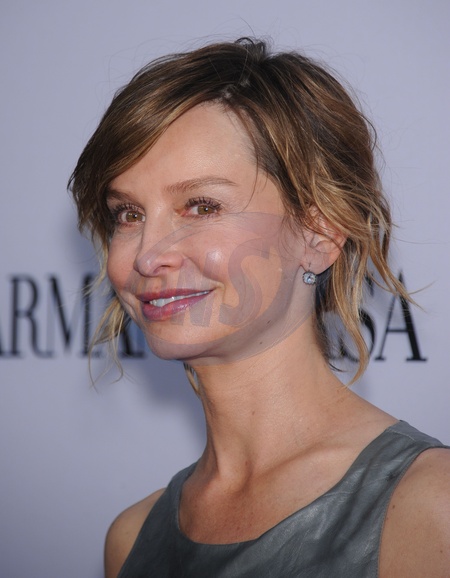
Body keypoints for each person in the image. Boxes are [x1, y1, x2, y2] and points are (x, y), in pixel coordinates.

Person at [69, 38, 450, 577]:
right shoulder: (130, 538)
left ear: (320, 233)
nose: (148, 255)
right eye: (128, 214)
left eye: (202, 206)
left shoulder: (429, 508)